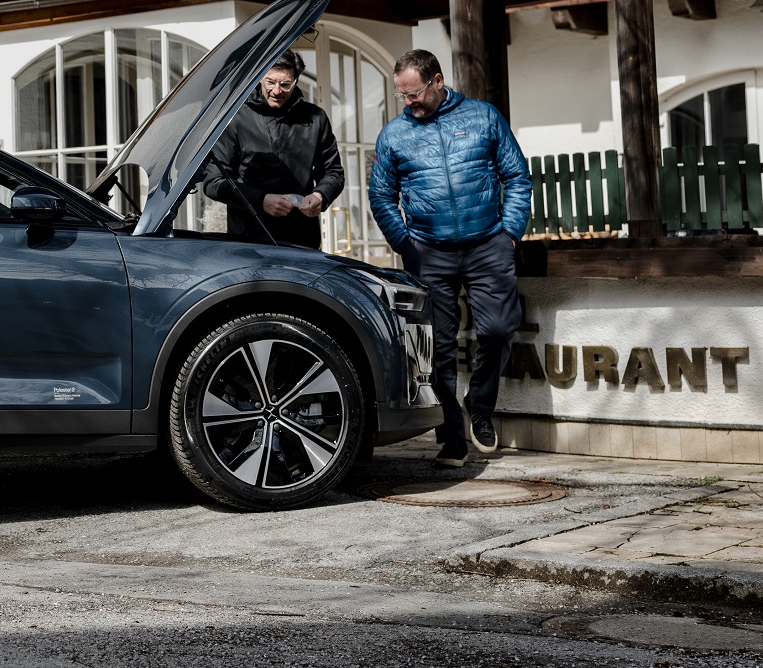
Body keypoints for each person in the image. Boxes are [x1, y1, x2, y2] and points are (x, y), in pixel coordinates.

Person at [369, 49, 529, 469]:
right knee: (437, 349)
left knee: (498, 330)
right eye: (402, 95)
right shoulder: (393, 135)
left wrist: (510, 233)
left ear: (437, 81)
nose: (409, 102)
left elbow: (516, 176)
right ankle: (453, 437)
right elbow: (381, 197)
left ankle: (479, 406)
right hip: (428, 253)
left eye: (415, 93)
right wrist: (406, 245)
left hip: (487, 245)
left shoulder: (484, 117)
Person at [202, 50, 344, 249]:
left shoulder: (316, 118)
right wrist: (261, 200)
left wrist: (320, 195)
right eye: (270, 82)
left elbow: (333, 172)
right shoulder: (235, 119)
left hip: (302, 242)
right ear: (260, 78)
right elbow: (213, 182)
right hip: (249, 243)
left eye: (285, 84)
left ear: (296, 81)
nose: (277, 91)